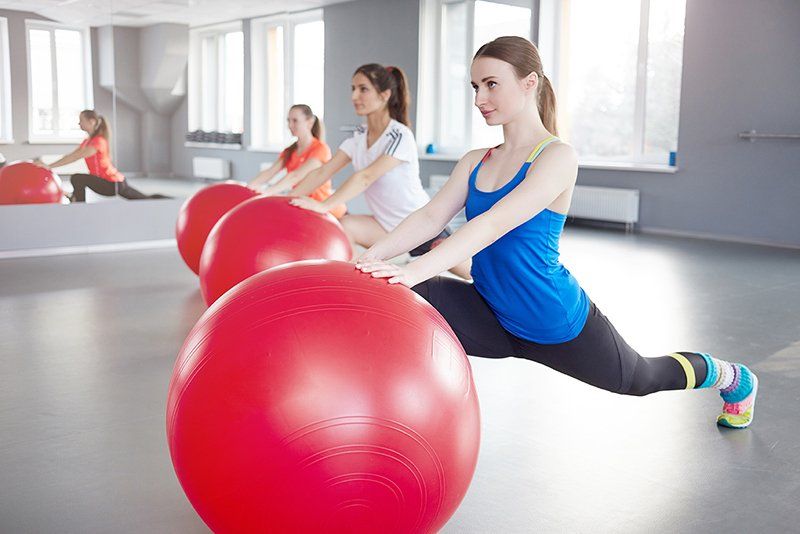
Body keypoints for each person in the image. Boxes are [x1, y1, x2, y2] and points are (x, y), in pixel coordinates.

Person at [356, 36, 757, 429]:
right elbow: (429, 217)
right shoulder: (476, 160)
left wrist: (414, 268)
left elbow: (493, 224)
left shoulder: (556, 157)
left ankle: (731, 377)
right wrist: (372, 258)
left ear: (530, 83)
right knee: (397, 298)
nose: (480, 99)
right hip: (490, 313)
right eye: (476, 87)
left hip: (550, 321)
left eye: (492, 84)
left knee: (639, 378)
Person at [290, 63, 471, 279]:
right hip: (386, 229)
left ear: (385, 95)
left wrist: (324, 205)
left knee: (471, 274)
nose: (355, 95)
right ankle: (344, 282)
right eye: (353, 88)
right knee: (346, 225)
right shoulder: (359, 136)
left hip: (420, 226)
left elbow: (365, 177)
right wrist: (288, 200)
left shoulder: (399, 135)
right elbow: (324, 171)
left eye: (363, 89)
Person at [35, 110, 167, 202]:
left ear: (92, 121)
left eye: (81, 120)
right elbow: (72, 154)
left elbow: (75, 157)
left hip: (112, 184)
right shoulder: (88, 140)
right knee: (145, 199)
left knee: (77, 178)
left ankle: (78, 204)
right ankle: (75, 198)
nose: (79, 123)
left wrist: (49, 166)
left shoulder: (98, 141)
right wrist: (48, 165)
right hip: (113, 182)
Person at [249, 104, 345, 218]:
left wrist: (267, 192)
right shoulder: (290, 151)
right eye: (288, 121)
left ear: (310, 122)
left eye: (295, 121)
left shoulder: (320, 149)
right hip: (300, 203)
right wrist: (249, 188)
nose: (290, 125)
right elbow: (269, 172)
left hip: (321, 206)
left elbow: (296, 176)